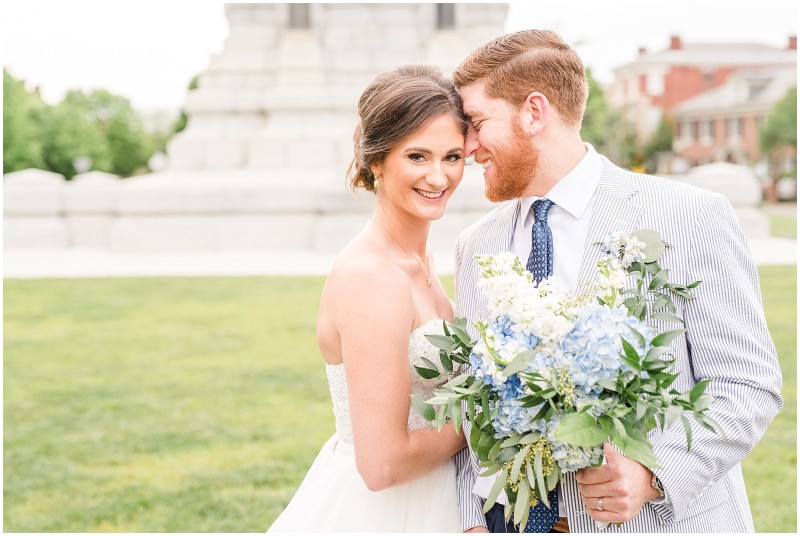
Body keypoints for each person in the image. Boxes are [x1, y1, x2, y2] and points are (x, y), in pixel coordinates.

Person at [450, 30, 783, 533]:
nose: (467, 146)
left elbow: (747, 385)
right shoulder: (476, 246)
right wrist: (473, 519)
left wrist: (654, 472)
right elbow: (476, 407)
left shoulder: (689, 216)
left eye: (475, 123)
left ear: (533, 112)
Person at [267, 64, 468, 532]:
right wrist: (492, 413)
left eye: (452, 156)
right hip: (389, 511)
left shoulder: (421, 256)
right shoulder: (370, 276)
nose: (439, 177)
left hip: (442, 494)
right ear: (376, 161)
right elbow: (382, 465)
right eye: (417, 156)